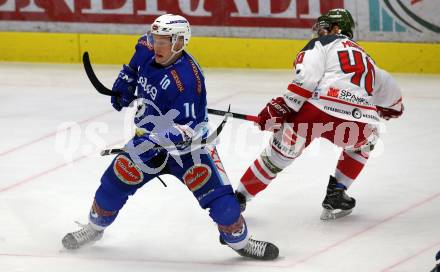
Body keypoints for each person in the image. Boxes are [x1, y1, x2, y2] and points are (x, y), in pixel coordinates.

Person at [62, 14, 279, 260]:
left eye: (164, 40)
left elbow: (186, 129)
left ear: (179, 42)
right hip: (147, 146)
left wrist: (153, 139)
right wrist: (126, 80)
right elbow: (136, 62)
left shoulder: (188, 80)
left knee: (225, 208)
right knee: (111, 186)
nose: (157, 45)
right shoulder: (148, 46)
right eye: (156, 38)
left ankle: (241, 243)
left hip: (190, 151)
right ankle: (93, 229)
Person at [235, 9, 404, 220]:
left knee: (277, 156)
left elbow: (307, 79)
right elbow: (390, 90)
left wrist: (281, 107)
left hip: (314, 112)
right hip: (358, 120)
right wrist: (392, 108)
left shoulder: (322, 44)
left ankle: (238, 199)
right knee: (366, 143)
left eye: (325, 28)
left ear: (337, 29)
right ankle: (337, 193)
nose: (320, 32)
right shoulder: (367, 58)